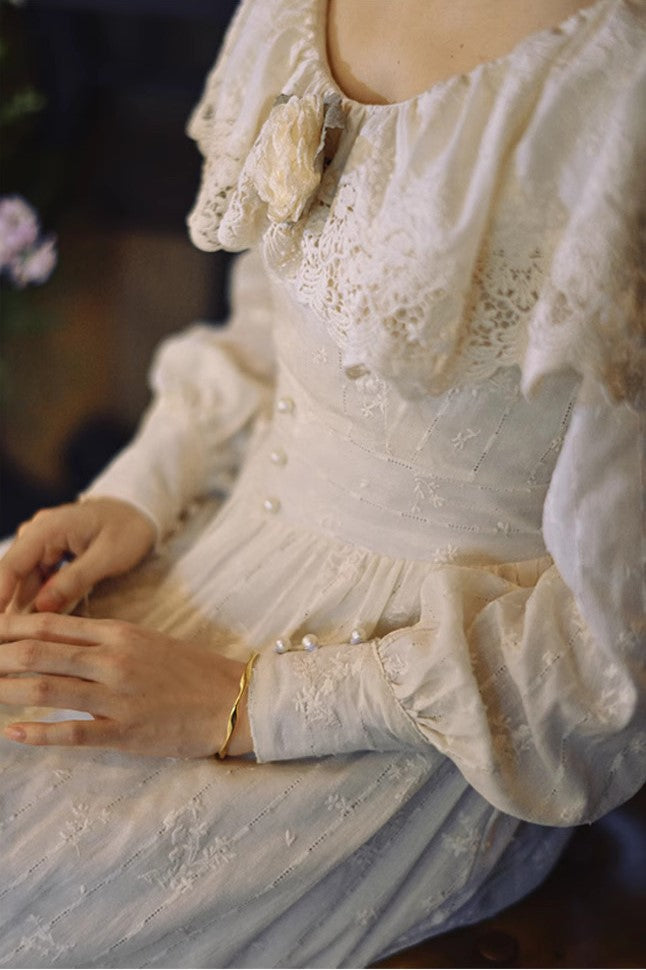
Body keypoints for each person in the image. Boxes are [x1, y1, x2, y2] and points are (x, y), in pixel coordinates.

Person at [1, 0, 644, 966]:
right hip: (217, 551)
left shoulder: (621, 80)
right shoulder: (294, 9)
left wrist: (244, 704)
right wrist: (139, 492)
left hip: (429, 710)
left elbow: (612, 656)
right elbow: (277, 325)